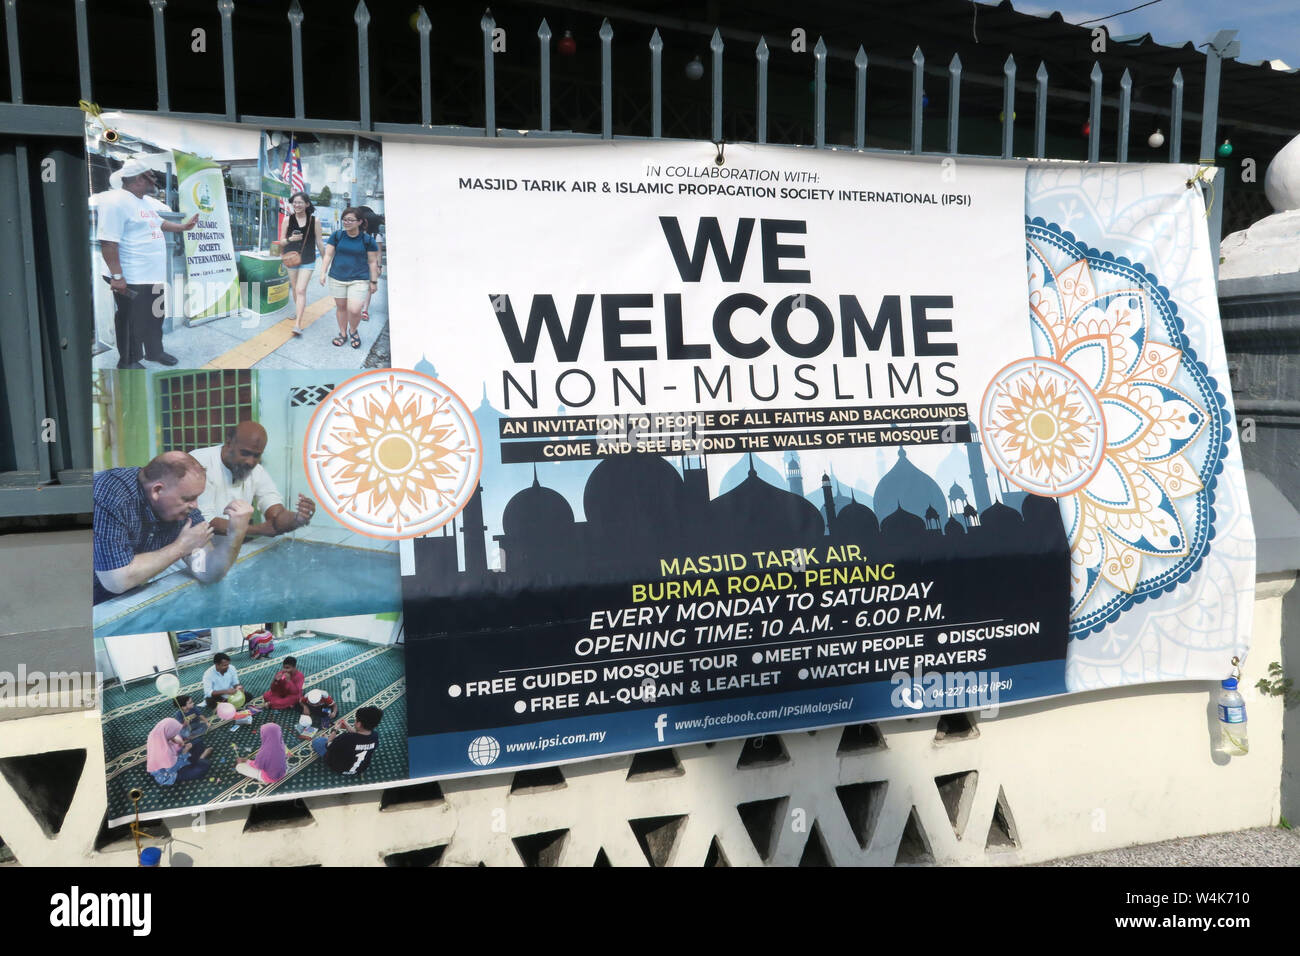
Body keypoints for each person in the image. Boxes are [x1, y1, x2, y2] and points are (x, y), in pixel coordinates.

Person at [93, 451, 253, 605]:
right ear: (157, 490)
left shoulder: (182, 512)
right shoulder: (110, 495)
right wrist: (181, 547)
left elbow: (206, 571)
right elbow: (116, 580)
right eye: (188, 498)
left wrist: (236, 534)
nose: (195, 506)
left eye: (197, 497)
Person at [96, 156, 198, 368]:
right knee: (130, 321)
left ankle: (154, 352)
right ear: (139, 179)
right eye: (151, 176)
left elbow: (159, 223)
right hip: (131, 278)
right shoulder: (115, 202)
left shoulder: (143, 201)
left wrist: (183, 227)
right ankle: (128, 360)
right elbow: (108, 242)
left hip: (152, 276)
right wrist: (117, 277)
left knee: (154, 317)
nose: (155, 180)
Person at [189, 421, 315, 537]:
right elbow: (203, 522)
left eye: (256, 455)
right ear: (228, 443)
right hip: (190, 555)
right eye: (244, 453)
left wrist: (298, 518)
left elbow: (276, 514)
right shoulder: (200, 461)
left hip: (228, 553)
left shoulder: (257, 471)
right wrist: (259, 530)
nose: (250, 462)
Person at [318, 206, 380, 351]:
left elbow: (372, 262)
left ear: (360, 222)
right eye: (345, 219)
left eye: (351, 220)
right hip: (337, 278)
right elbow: (328, 255)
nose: (347, 222)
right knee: (341, 308)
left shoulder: (367, 240)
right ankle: (343, 333)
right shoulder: (337, 235)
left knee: (355, 309)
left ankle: (353, 330)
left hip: (359, 278)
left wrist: (374, 281)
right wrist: (323, 272)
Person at [278, 191, 326, 335]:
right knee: (294, 288)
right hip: (291, 258)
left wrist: (325, 261)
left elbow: (319, 242)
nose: (297, 205)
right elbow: (281, 242)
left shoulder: (314, 221)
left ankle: (298, 323)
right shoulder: (287, 220)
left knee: (300, 290)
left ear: (307, 204)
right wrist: (290, 240)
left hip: (308, 260)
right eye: (295, 202)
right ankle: (297, 311)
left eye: (300, 202)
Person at [310, 705, 382, 776]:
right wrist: (348, 727)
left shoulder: (346, 737)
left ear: (359, 724)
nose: (355, 721)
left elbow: (328, 746)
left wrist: (334, 730)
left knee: (317, 741)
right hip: (361, 769)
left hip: (339, 768)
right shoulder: (375, 736)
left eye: (356, 720)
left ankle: (325, 738)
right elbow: (361, 738)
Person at [146, 717, 213, 786]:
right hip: (170, 773)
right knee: (202, 768)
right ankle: (202, 757)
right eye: (173, 733)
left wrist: (179, 741)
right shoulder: (164, 752)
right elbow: (173, 769)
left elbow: (175, 736)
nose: (175, 734)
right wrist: (184, 752)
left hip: (174, 758)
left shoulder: (157, 734)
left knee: (198, 742)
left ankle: (197, 759)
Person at [354, 205, 384, 323]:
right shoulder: (357, 233)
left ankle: (365, 310)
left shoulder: (377, 236)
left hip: (370, 265)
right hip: (357, 264)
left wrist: (379, 266)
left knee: (368, 288)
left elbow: (379, 253)